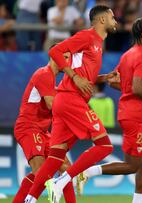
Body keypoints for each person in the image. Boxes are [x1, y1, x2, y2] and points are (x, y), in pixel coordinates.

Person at [23, 5, 117, 203]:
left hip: (65, 101)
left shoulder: (97, 43)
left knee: (56, 156)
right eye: (112, 17)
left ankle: (29, 199)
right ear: (102, 20)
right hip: (71, 99)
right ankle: (64, 180)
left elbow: (85, 75)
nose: (115, 20)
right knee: (105, 145)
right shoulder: (88, 36)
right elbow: (56, 51)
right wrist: (74, 76)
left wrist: (102, 78)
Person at [78, 17, 142, 203]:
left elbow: (114, 81)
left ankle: (137, 201)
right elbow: (137, 89)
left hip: (132, 113)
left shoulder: (128, 54)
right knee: (132, 165)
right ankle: (87, 172)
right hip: (135, 115)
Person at [13, 52, 75, 203]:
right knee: (41, 171)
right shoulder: (44, 74)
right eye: (65, 57)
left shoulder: (52, 79)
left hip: (41, 131)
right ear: (55, 58)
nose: (69, 61)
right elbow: (52, 105)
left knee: (66, 168)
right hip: (28, 127)